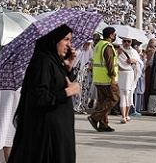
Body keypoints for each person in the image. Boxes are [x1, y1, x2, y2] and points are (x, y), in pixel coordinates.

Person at [7, 24, 80, 163]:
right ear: (54, 39)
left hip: (58, 129)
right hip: (47, 133)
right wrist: (67, 92)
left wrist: (68, 69)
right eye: (65, 39)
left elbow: (57, 84)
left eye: (70, 40)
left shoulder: (54, 62)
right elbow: (39, 96)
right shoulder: (43, 62)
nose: (69, 45)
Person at [87, 26, 119, 132]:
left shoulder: (98, 45)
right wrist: (113, 77)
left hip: (98, 78)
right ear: (110, 35)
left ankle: (103, 125)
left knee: (102, 101)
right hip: (107, 78)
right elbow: (109, 63)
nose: (115, 36)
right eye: (114, 34)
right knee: (114, 98)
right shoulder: (108, 46)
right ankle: (95, 117)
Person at [117, 35, 141, 123]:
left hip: (130, 74)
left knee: (129, 95)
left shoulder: (134, 52)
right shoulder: (118, 50)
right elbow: (113, 60)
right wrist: (117, 54)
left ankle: (126, 114)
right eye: (125, 41)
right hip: (121, 74)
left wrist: (133, 61)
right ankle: (123, 116)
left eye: (128, 41)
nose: (126, 43)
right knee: (123, 95)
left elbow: (139, 62)